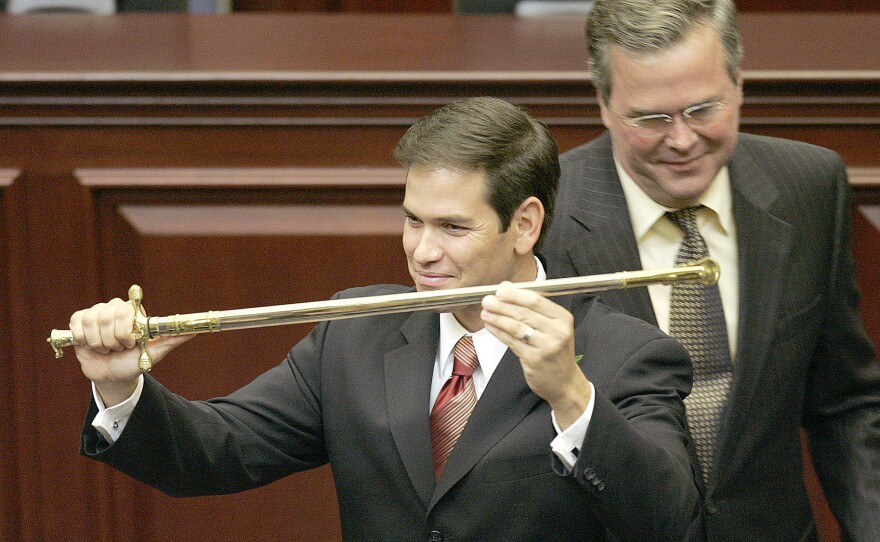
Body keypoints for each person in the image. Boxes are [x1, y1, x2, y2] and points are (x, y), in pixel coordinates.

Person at [70, 97, 703, 541]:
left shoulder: (627, 355)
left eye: (453, 227)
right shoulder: (355, 331)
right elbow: (217, 454)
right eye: (412, 219)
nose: (423, 251)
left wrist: (571, 396)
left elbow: (670, 524)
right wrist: (121, 388)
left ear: (526, 224)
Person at [540, 1, 880, 541]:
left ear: (739, 84)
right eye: (652, 118)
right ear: (603, 103)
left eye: (703, 109)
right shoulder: (543, 215)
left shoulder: (809, 186)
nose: (681, 139)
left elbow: (844, 403)